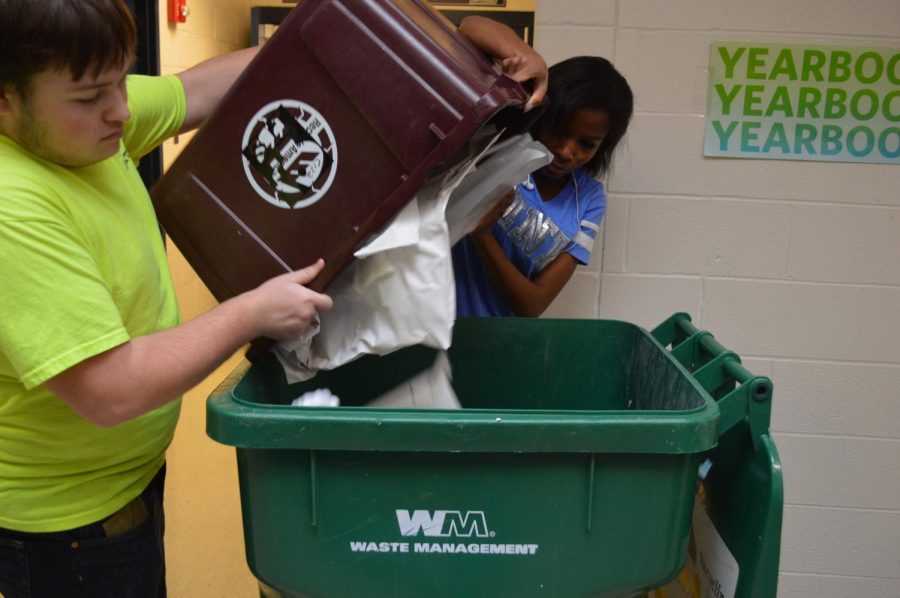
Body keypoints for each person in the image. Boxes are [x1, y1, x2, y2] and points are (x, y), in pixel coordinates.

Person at [0, 2, 547, 596]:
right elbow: (110, 391)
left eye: (120, 82)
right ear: (5, 100)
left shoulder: (83, 119)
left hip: (117, 484)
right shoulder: (15, 210)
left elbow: (199, 88)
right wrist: (251, 313)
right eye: (90, 98)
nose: (122, 110)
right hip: (68, 527)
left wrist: (365, 47)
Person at [453, 56, 633, 317]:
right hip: (431, 328)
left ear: (603, 146)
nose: (566, 151)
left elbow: (533, 304)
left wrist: (482, 236)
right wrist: (533, 63)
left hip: (498, 345)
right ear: (543, 115)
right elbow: (472, 26)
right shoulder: (500, 148)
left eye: (586, 144)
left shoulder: (589, 199)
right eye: (559, 130)